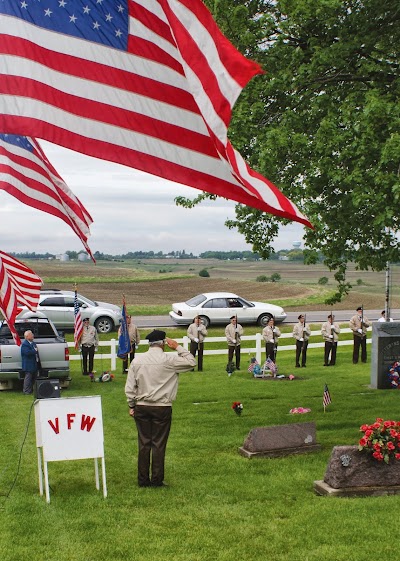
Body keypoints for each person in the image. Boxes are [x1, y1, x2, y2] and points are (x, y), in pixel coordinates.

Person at [125, 329, 196, 488]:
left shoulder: (137, 360)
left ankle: (143, 480)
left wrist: (131, 405)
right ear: (164, 343)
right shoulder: (169, 360)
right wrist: (177, 347)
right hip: (162, 406)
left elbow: (130, 387)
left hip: (142, 406)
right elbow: (191, 362)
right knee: (158, 443)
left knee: (144, 443)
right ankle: (156, 479)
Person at [21, 330, 40, 394]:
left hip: (34, 363)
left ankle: (33, 390)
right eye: (31, 334)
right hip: (28, 364)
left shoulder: (33, 343)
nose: (33, 335)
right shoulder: (24, 344)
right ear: (27, 336)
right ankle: (26, 391)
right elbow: (27, 352)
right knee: (28, 378)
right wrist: (34, 351)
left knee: (34, 377)